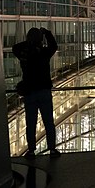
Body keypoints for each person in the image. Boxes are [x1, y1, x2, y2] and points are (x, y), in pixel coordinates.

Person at [13, 27, 61, 157]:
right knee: (48, 122)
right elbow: (54, 46)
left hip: (30, 92)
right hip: (44, 91)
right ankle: (52, 149)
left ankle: (31, 150)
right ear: (40, 39)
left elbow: (15, 47)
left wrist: (30, 43)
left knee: (31, 123)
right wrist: (46, 33)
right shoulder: (44, 53)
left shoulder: (24, 53)